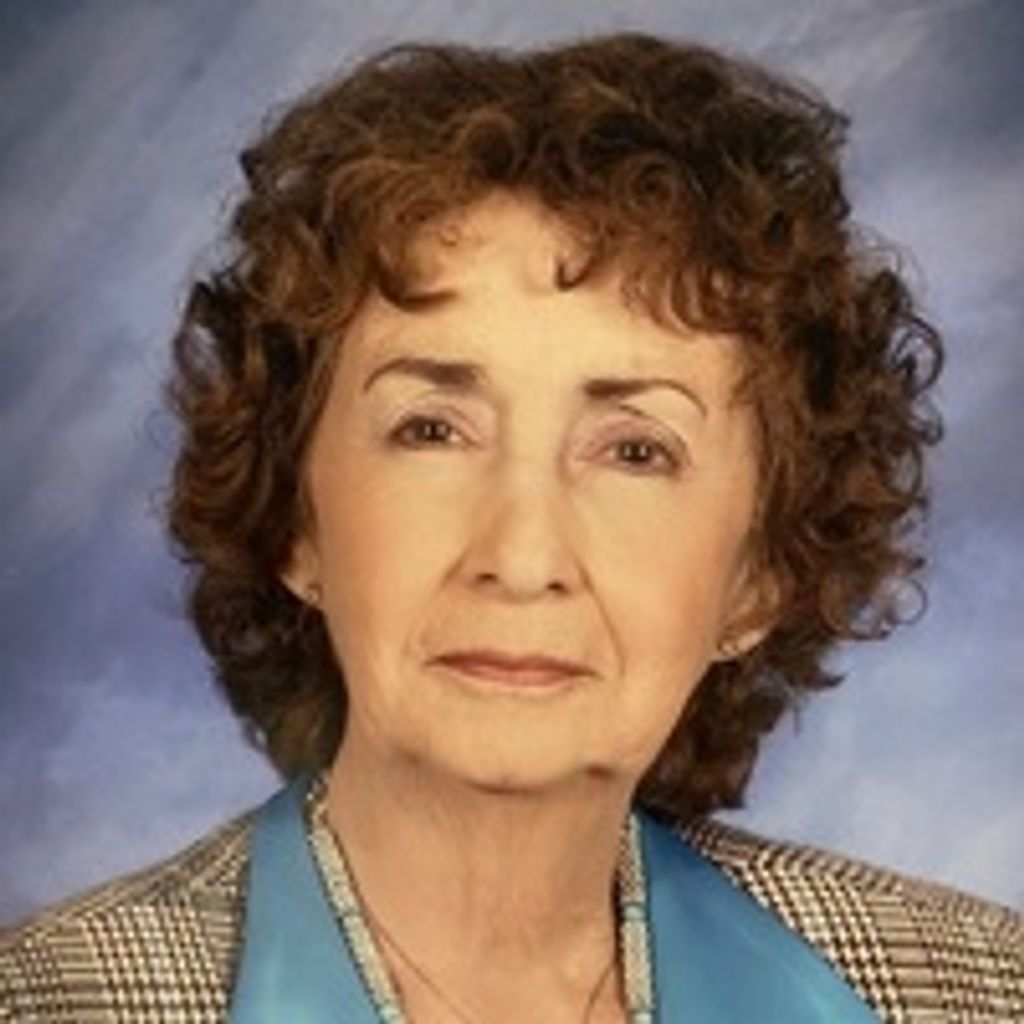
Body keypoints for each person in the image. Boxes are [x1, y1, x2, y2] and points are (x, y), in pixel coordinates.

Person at [2, 32, 1021, 1023]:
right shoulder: (50, 1004)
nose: (522, 557)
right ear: (296, 520)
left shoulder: (975, 993)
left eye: (635, 450)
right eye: (432, 429)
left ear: (760, 576)